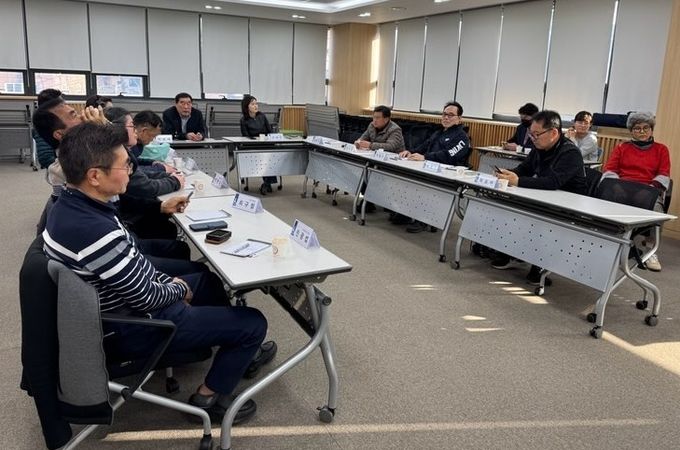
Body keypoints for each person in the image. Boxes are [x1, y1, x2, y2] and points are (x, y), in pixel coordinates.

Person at [42, 121, 268, 423]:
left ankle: (228, 347)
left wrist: (169, 283)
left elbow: (136, 265)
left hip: (120, 309)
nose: (130, 171)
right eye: (124, 165)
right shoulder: (94, 231)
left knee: (207, 280)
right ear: (95, 176)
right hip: (134, 326)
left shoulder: (74, 206)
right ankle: (208, 399)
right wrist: (177, 289)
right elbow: (147, 298)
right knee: (253, 323)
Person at [492, 110, 587, 284]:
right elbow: (525, 168)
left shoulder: (570, 153)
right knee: (507, 205)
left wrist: (518, 181)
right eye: (531, 134)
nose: (533, 139)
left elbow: (552, 182)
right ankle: (510, 252)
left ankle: (539, 266)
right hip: (545, 198)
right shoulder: (539, 148)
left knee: (535, 216)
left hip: (568, 206)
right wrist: (509, 174)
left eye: (537, 134)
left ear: (554, 133)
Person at [602, 111, 671, 271]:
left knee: (657, 210)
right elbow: (610, 169)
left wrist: (649, 191)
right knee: (604, 201)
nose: (641, 131)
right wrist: (617, 187)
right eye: (637, 128)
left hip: (648, 189)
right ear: (631, 131)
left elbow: (664, 173)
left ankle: (650, 250)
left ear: (651, 130)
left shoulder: (661, 149)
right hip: (622, 188)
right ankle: (610, 243)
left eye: (646, 128)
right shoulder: (622, 148)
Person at [104, 107, 184, 240]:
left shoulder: (123, 151)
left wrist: (162, 172)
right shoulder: (115, 157)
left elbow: (138, 172)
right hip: (127, 221)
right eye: (132, 126)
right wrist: (174, 181)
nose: (136, 130)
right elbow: (145, 186)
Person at [398, 101, 471, 233]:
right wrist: (410, 152)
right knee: (405, 176)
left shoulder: (462, 138)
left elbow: (448, 156)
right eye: (444, 114)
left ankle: (424, 219)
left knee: (422, 183)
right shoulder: (439, 132)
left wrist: (425, 157)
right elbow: (424, 146)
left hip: (447, 175)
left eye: (451, 115)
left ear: (459, 119)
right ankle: (405, 212)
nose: (446, 117)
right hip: (430, 169)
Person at [239, 94, 277, 195]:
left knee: (271, 157)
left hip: (266, 145)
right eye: (252, 104)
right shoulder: (244, 120)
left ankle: (266, 183)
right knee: (264, 158)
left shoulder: (262, 116)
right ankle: (267, 183)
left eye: (256, 104)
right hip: (253, 147)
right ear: (246, 106)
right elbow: (245, 136)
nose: (255, 106)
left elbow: (270, 132)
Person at [130, 110, 174, 174]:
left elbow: (133, 161)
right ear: (144, 131)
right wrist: (162, 168)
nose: (153, 140)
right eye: (153, 136)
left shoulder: (138, 145)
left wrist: (151, 162)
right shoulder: (127, 144)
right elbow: (131, 170)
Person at [34, 89, 64, 169]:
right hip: (61, 168)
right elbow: (45, 158)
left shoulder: (58, 120)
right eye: (61, 105)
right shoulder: (43, 125)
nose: (65, 107)